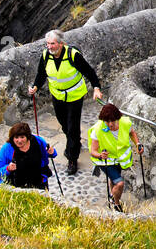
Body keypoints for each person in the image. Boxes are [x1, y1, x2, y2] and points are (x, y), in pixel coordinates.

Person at [29, 29, 103, 176]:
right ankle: (75, 142)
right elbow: (41, 74)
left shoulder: (73, 55)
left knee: (72, 127)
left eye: (52, 43)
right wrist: (35, 86)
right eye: (48, 44)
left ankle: (72, 158)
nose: (49, 47)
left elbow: (89, 72)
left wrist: (96, 88)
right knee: (64, 124)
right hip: (57, 96)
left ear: (61, 44)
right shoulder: (45, 56)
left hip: (75, 96)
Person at [88, 103, 141, 212]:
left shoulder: (125, 123)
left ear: (117, 118)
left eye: (113, 121)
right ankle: (115, 201)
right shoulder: (97, 129)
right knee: (120, 183)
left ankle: (114, 201)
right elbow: (93, 151)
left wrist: (138, 144)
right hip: (105, 162)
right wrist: (100, 155)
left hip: (118, 160)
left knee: (114, 180)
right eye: (107, 121)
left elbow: (132, 133)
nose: (110, 124)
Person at [0, 121, 57, 190]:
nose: (19, 140)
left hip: (39, 183)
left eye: (22, 137)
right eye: (16, 137)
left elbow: (49, 153)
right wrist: (8, 168)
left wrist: (52, 152)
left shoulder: (38, 142)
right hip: (15, 186)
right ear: (12, 138)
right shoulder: (7, 148)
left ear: (27, 137)